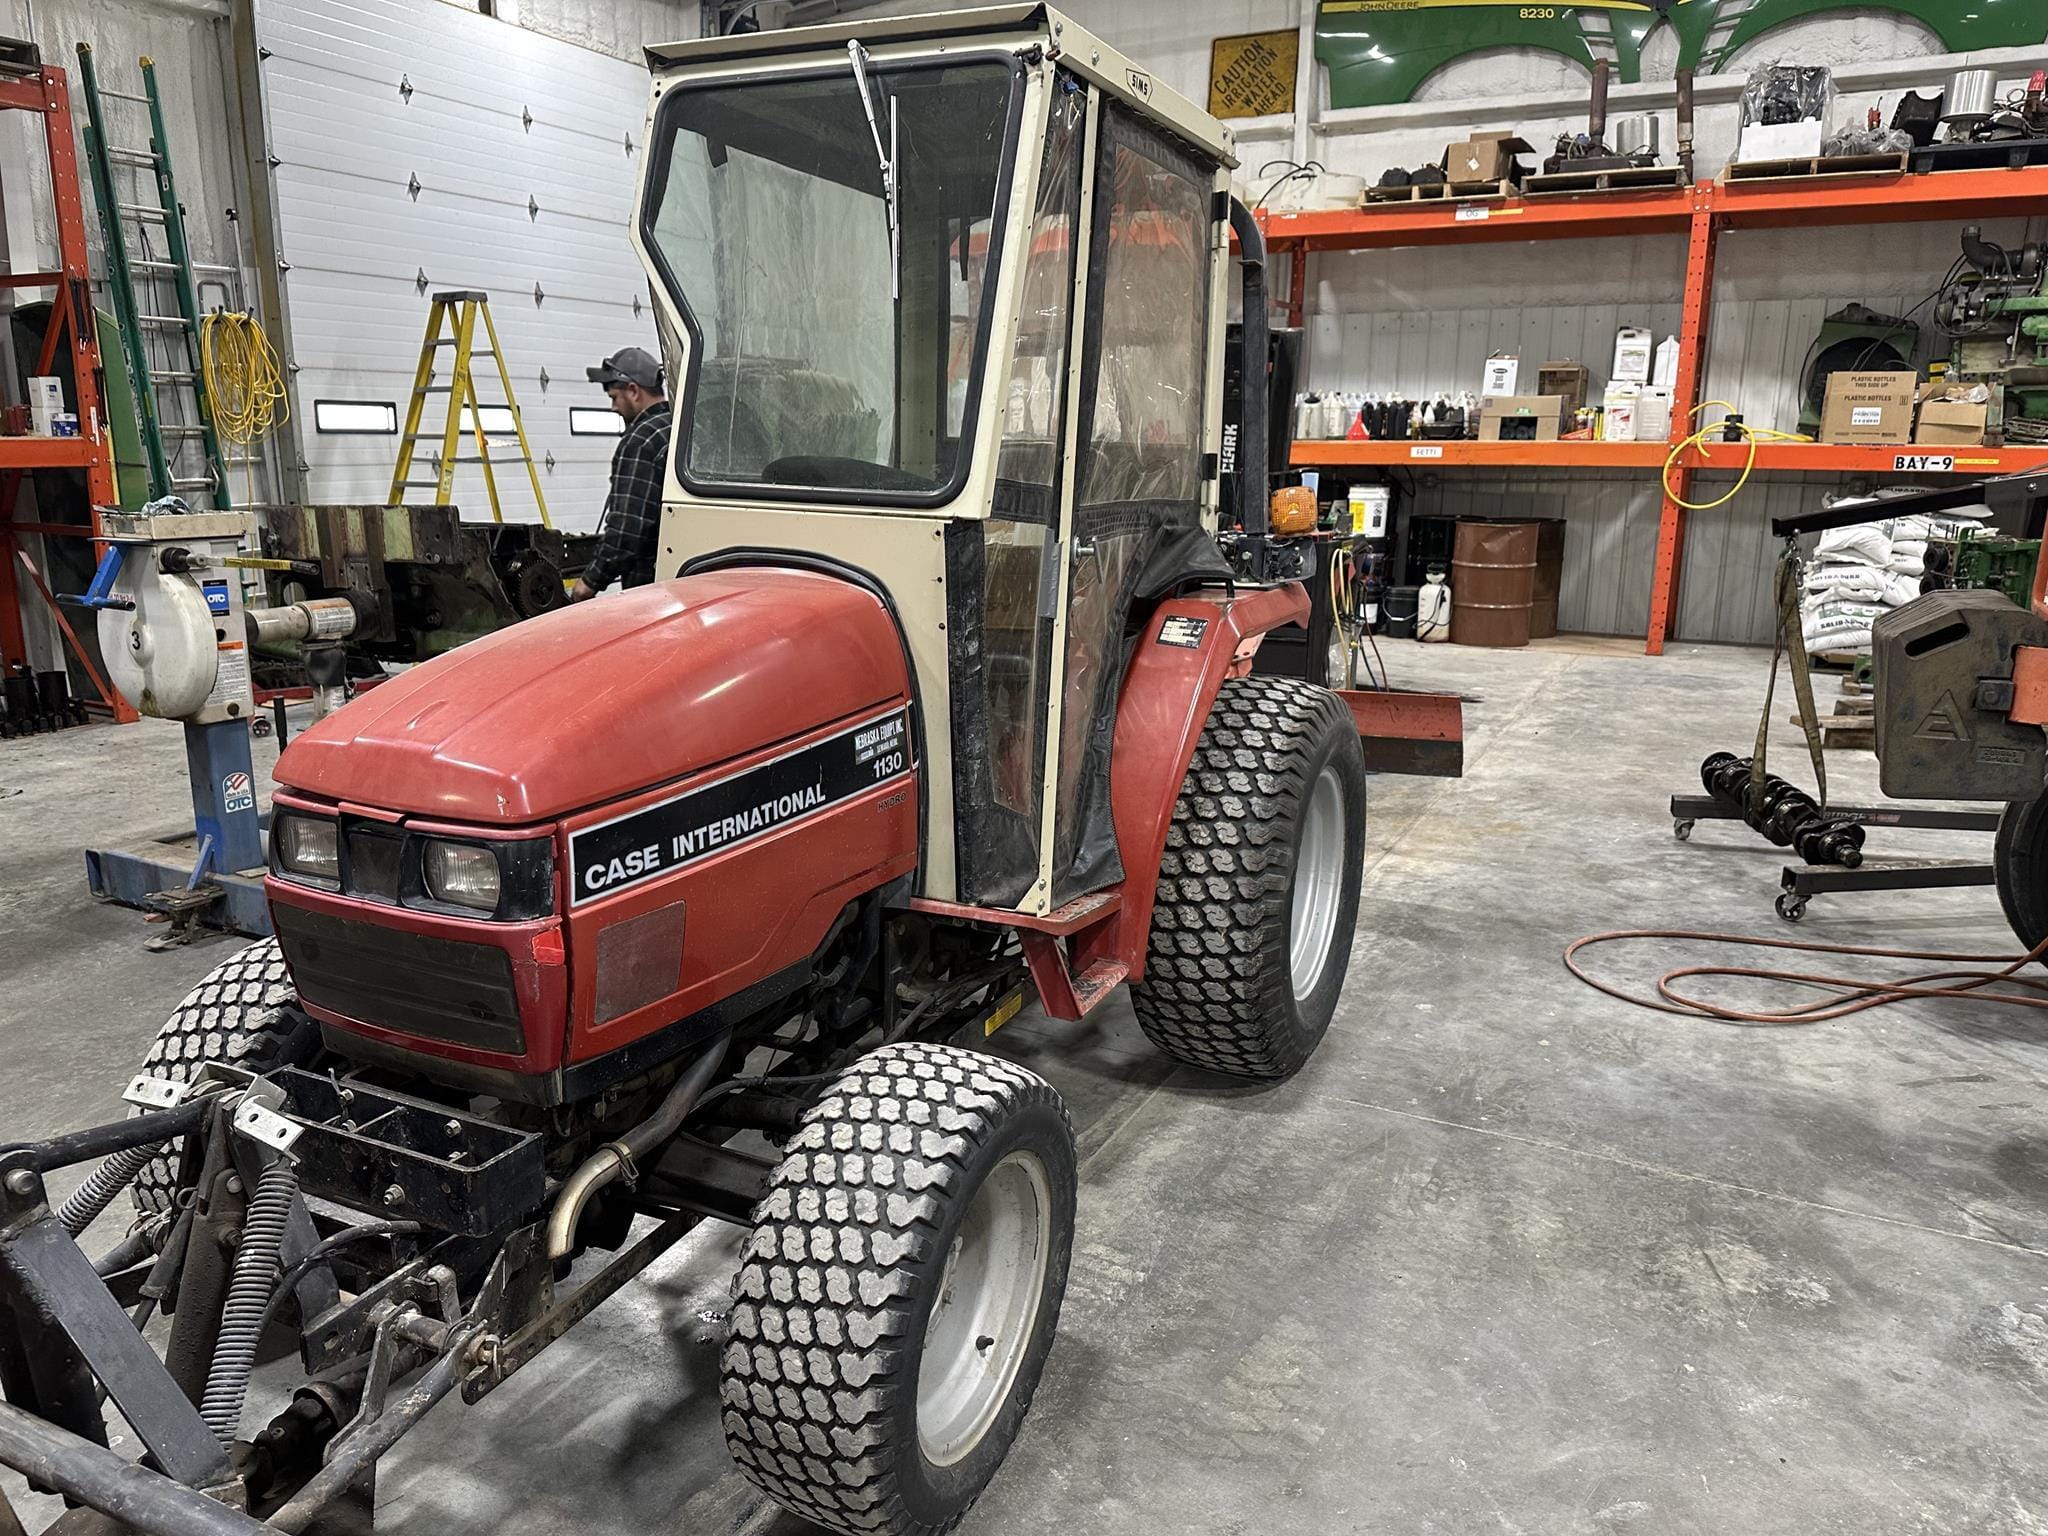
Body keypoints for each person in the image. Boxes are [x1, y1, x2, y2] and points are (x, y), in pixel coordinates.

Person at [570, 347, 673, 600]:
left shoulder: (641, 441)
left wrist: (589, 582)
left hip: (648, 589)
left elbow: (627, 529)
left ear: (634, 390)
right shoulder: (678, 424)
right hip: (680, 579)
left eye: (614, 397)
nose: (613, 407)